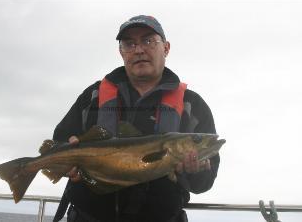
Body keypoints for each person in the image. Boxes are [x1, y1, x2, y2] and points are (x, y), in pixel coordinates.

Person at [52, 15, 220, 222]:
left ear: (166, 48)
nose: (139, 50)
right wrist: (67, 162)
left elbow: (204, 184)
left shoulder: (192, 106)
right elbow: (59, 141)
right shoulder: (92, 96)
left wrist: (196, 172)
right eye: (129, 44)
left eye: (148, 41)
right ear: (121, 52)